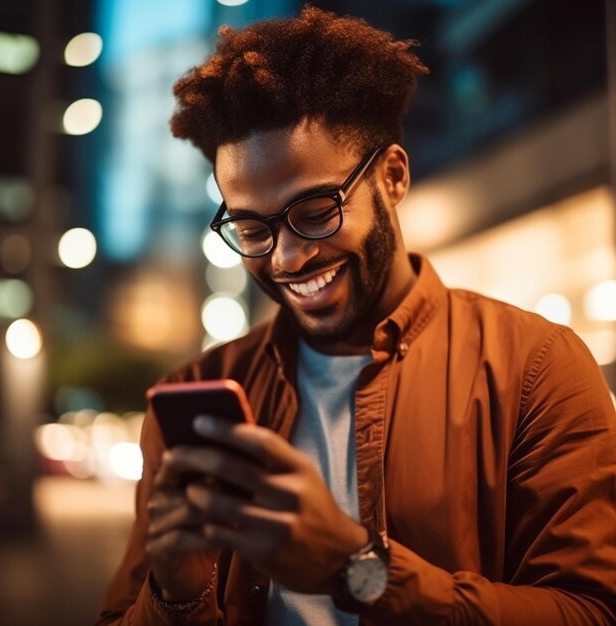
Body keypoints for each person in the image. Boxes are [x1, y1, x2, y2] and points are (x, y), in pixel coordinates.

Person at [97, 6, 616, 625]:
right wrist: (175, 595)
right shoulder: (188, 398)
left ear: (393, 177)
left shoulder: (535, 369)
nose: (288, 256)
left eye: (316, 210)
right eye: (250, 228)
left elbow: (590, 611)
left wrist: (357, 568)